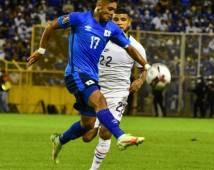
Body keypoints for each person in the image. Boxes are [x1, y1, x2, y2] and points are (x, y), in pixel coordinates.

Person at [27, 0, 150, 163]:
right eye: (110, 9)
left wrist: (146, 65)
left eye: (115, 10)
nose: (113, 13)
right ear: (100, 5)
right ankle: (121, 136)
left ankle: (59, 140)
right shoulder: (78, 18)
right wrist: (41, 50)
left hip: (92, 77)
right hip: (75, 73)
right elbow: (51, 26)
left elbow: (129, 48)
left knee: (88, 124)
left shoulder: (111, 28)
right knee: (101, 100)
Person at [79, 8, 147, 170]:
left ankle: (93, 169)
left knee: (106, 132)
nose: (119, 22)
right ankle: (88, 125)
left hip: (119, 92)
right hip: (96, 89)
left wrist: (140, 80)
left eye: (123, 19)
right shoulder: (99, 39)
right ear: (110, 21)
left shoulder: (136, 46)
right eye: (116, 19)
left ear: (129, 23)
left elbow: (144, 67)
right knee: (87, 136)